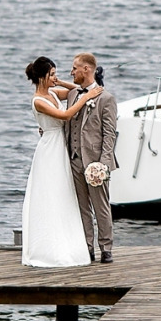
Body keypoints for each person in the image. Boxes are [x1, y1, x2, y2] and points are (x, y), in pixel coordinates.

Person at [21, 57, 101, 268]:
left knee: (64, 193)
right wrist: (89, 96)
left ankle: (69, 241)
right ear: (41, 77)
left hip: (61, 146)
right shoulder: (39, 100)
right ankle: (48, 247)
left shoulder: (53, 93)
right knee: (51, 192)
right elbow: (65, 115)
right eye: (52, 75)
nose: (56, 78)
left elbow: (76, 90)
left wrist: (60, 83)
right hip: (50, 148)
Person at [64, 52, 118, 263]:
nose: (72, 72)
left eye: (75, 68)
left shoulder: (106, 99)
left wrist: (103, 165)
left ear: (86, 69)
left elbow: (109, 134)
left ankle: (106, 248)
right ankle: (87, 248)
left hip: (95, 161)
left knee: (101, 206)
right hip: (74, 158)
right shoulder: (72, 95)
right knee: (82, 207)